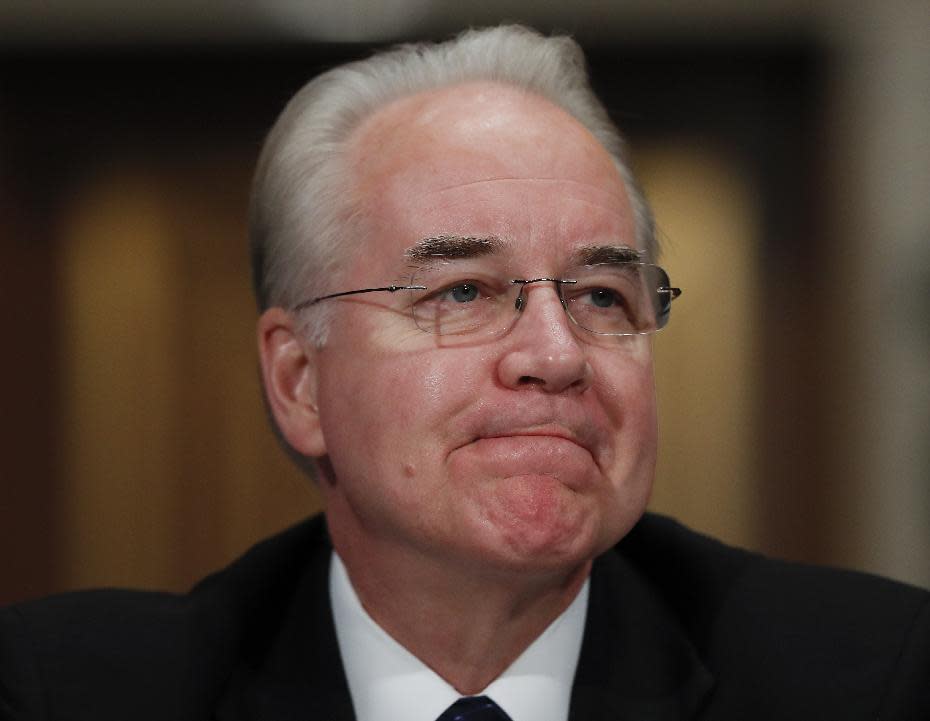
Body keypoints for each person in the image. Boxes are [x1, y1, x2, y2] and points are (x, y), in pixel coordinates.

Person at [1, 25, 928, 721]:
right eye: (462, 293)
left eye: (602, 296)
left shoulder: (872, 680)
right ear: (298, 381)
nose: (556, 355)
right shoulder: (70, 693)